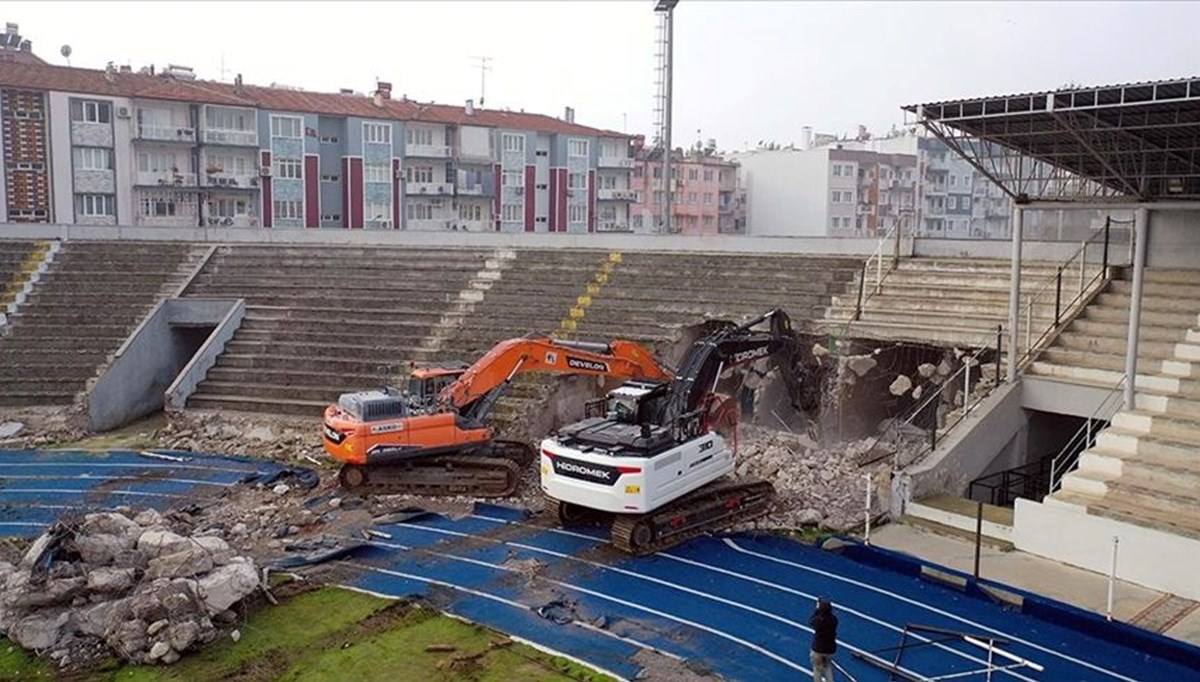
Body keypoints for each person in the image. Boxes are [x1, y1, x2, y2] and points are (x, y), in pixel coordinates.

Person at [810, 597, 838, 682]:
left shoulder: (818, 621)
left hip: (818, 649)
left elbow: (811, 621)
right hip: (830, 649)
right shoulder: (834, 620)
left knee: (817, 670)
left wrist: (817, 610)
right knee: (827, 668)